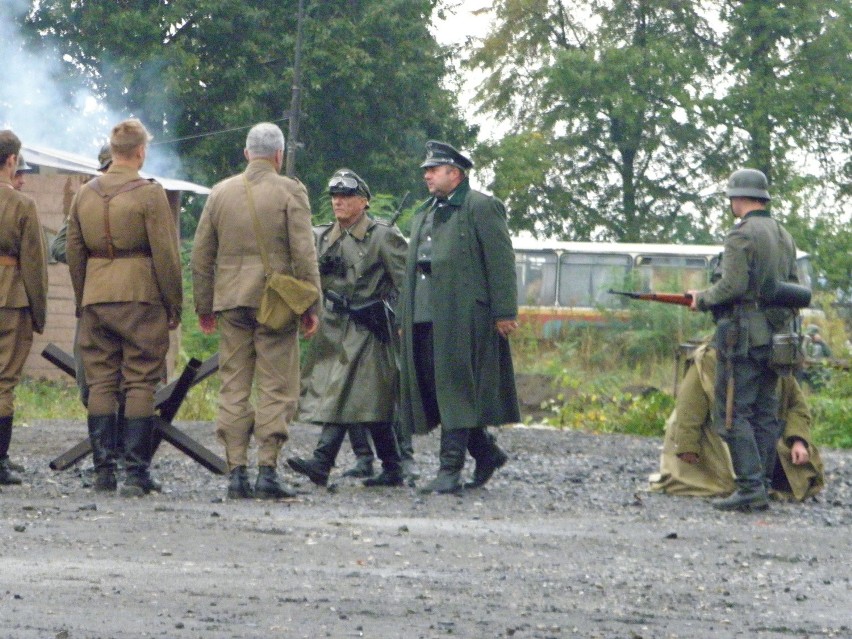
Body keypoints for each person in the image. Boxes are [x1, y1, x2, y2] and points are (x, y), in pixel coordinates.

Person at [191, 122, 320, 500]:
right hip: (275, 303)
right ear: (278, 155)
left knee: (234, 384)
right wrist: (311, 304)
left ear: (247, 153)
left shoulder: (220, 193)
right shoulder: (290, 191)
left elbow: (201, 257)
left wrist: (204, 305)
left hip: (230, 300)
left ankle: (236, 473)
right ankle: (267, 470)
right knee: (277, 385)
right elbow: (304, 254)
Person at [67, 119, 182, 497]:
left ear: (112, 151)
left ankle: (103, 473)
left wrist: (84, 295)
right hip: (140, 295)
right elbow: (166, 254)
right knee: (139, 380)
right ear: (141, 151)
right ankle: (135, 473)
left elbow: (74, 251)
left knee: (101, 381)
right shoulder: (150, 194)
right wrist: (173, 302)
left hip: (96, 294)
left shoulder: (85, 193)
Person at [399, 140, 520, 495]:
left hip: (465, 316)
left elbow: (500, 261)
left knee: (455, 390)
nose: (426, 175)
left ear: (456, 173)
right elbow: (411, 270)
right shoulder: (424, 211)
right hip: (425, 315)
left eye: (433, 169)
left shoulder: (481, 207)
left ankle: (449, 471)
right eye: (426, 170)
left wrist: (504, 311)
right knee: (433, 391)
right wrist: (406, 316)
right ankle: (486, 452)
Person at [287, 169, 408, 488]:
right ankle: (393, 466)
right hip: (332, 326)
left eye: (346, 196)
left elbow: (406, 284)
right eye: (334, 197)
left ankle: (321, 462)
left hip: (368, 327)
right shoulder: (321, 237)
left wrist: (401, 324)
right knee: (366, 400)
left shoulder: (383, 236)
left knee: (343, 391)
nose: (338, 202)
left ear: (364, 202)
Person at [688, 168, 799, 512]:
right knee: (765, 413)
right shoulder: (783, 235)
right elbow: (792, 285)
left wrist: (701, 298)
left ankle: (751, 488)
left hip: (743, 338)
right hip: (777, 338)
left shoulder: (741, 236)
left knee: (732, 415)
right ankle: (761, 484)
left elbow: (731, 286)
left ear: (738, 199)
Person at [649, 342, 825, 501]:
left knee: (800, 478)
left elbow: (797, 406)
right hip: (717, 445)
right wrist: (687, 446)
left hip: (767, 444)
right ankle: (751, 486)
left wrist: (798, 441)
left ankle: (759, 484)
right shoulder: (711, 359)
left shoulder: (775, 360)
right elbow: (688, 408)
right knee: (725, 484)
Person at [0, 130, 48, 485]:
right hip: (9, 299)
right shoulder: (21, 205)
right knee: (2, 381)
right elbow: (34, 264)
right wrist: (40, 312)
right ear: (12, 160)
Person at [51, 142, 113, 409]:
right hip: (130, 297)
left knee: (91, 371)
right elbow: (60, 247)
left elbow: (60, 246)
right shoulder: (145, 192)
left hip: (94, 295)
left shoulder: (85, 197)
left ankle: (107, 446)